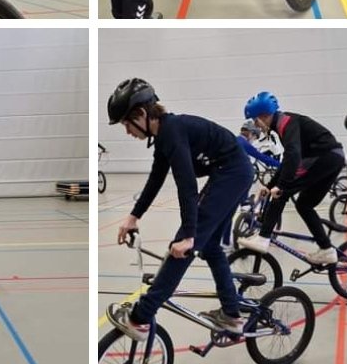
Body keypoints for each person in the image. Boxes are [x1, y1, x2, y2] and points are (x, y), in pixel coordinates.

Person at [106, 78, 254, 340]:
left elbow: (187, 186)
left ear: (141, 114)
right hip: (231, 173)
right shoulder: (165, 135)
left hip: (233, 173)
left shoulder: (172, 131)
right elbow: (156, 179)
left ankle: (141, 317)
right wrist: (133, 216)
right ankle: (232, 316)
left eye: (127, 124)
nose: (128, 132)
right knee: (208, 247)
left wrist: (188, 235)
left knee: (183, 248)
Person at [238, 91, 345, 265]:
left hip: (325, 157)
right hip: (330, 158)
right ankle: (327, 249)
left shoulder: (286, 123)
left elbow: (293, 156)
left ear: (264, 116)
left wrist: (280, 186)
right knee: (304, 204)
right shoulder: (283, 124)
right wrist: (271, 184)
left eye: (255, 120)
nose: (256, 126)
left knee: (282, 193)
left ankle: (263, 237)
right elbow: (289, 159)